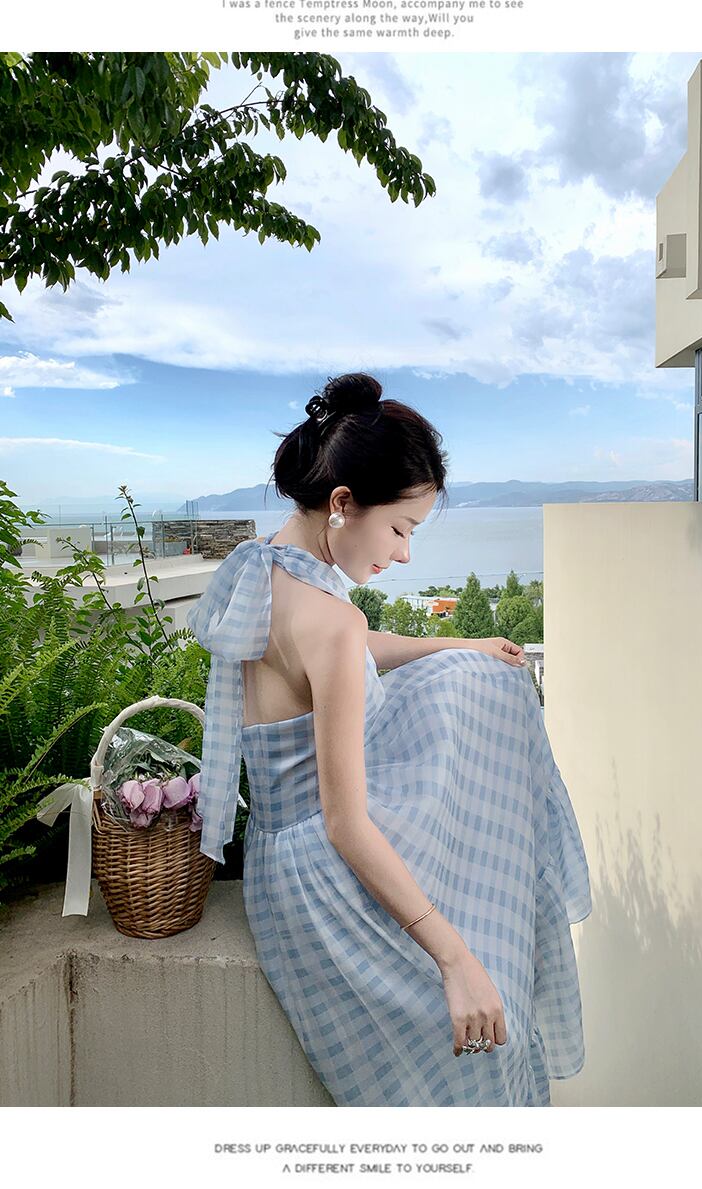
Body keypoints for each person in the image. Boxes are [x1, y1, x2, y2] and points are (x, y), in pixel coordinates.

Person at [186, 372, 592, 1107]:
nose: (404, 555)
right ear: (343, 504)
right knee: (490, 1013)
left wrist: (459, 641)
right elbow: (346, 823)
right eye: (402, 529)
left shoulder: (265, 566)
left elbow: (348, 652)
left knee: (474, 672)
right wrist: (454, 958)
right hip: (328, 875)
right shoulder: (329, 620)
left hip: (279, 862)